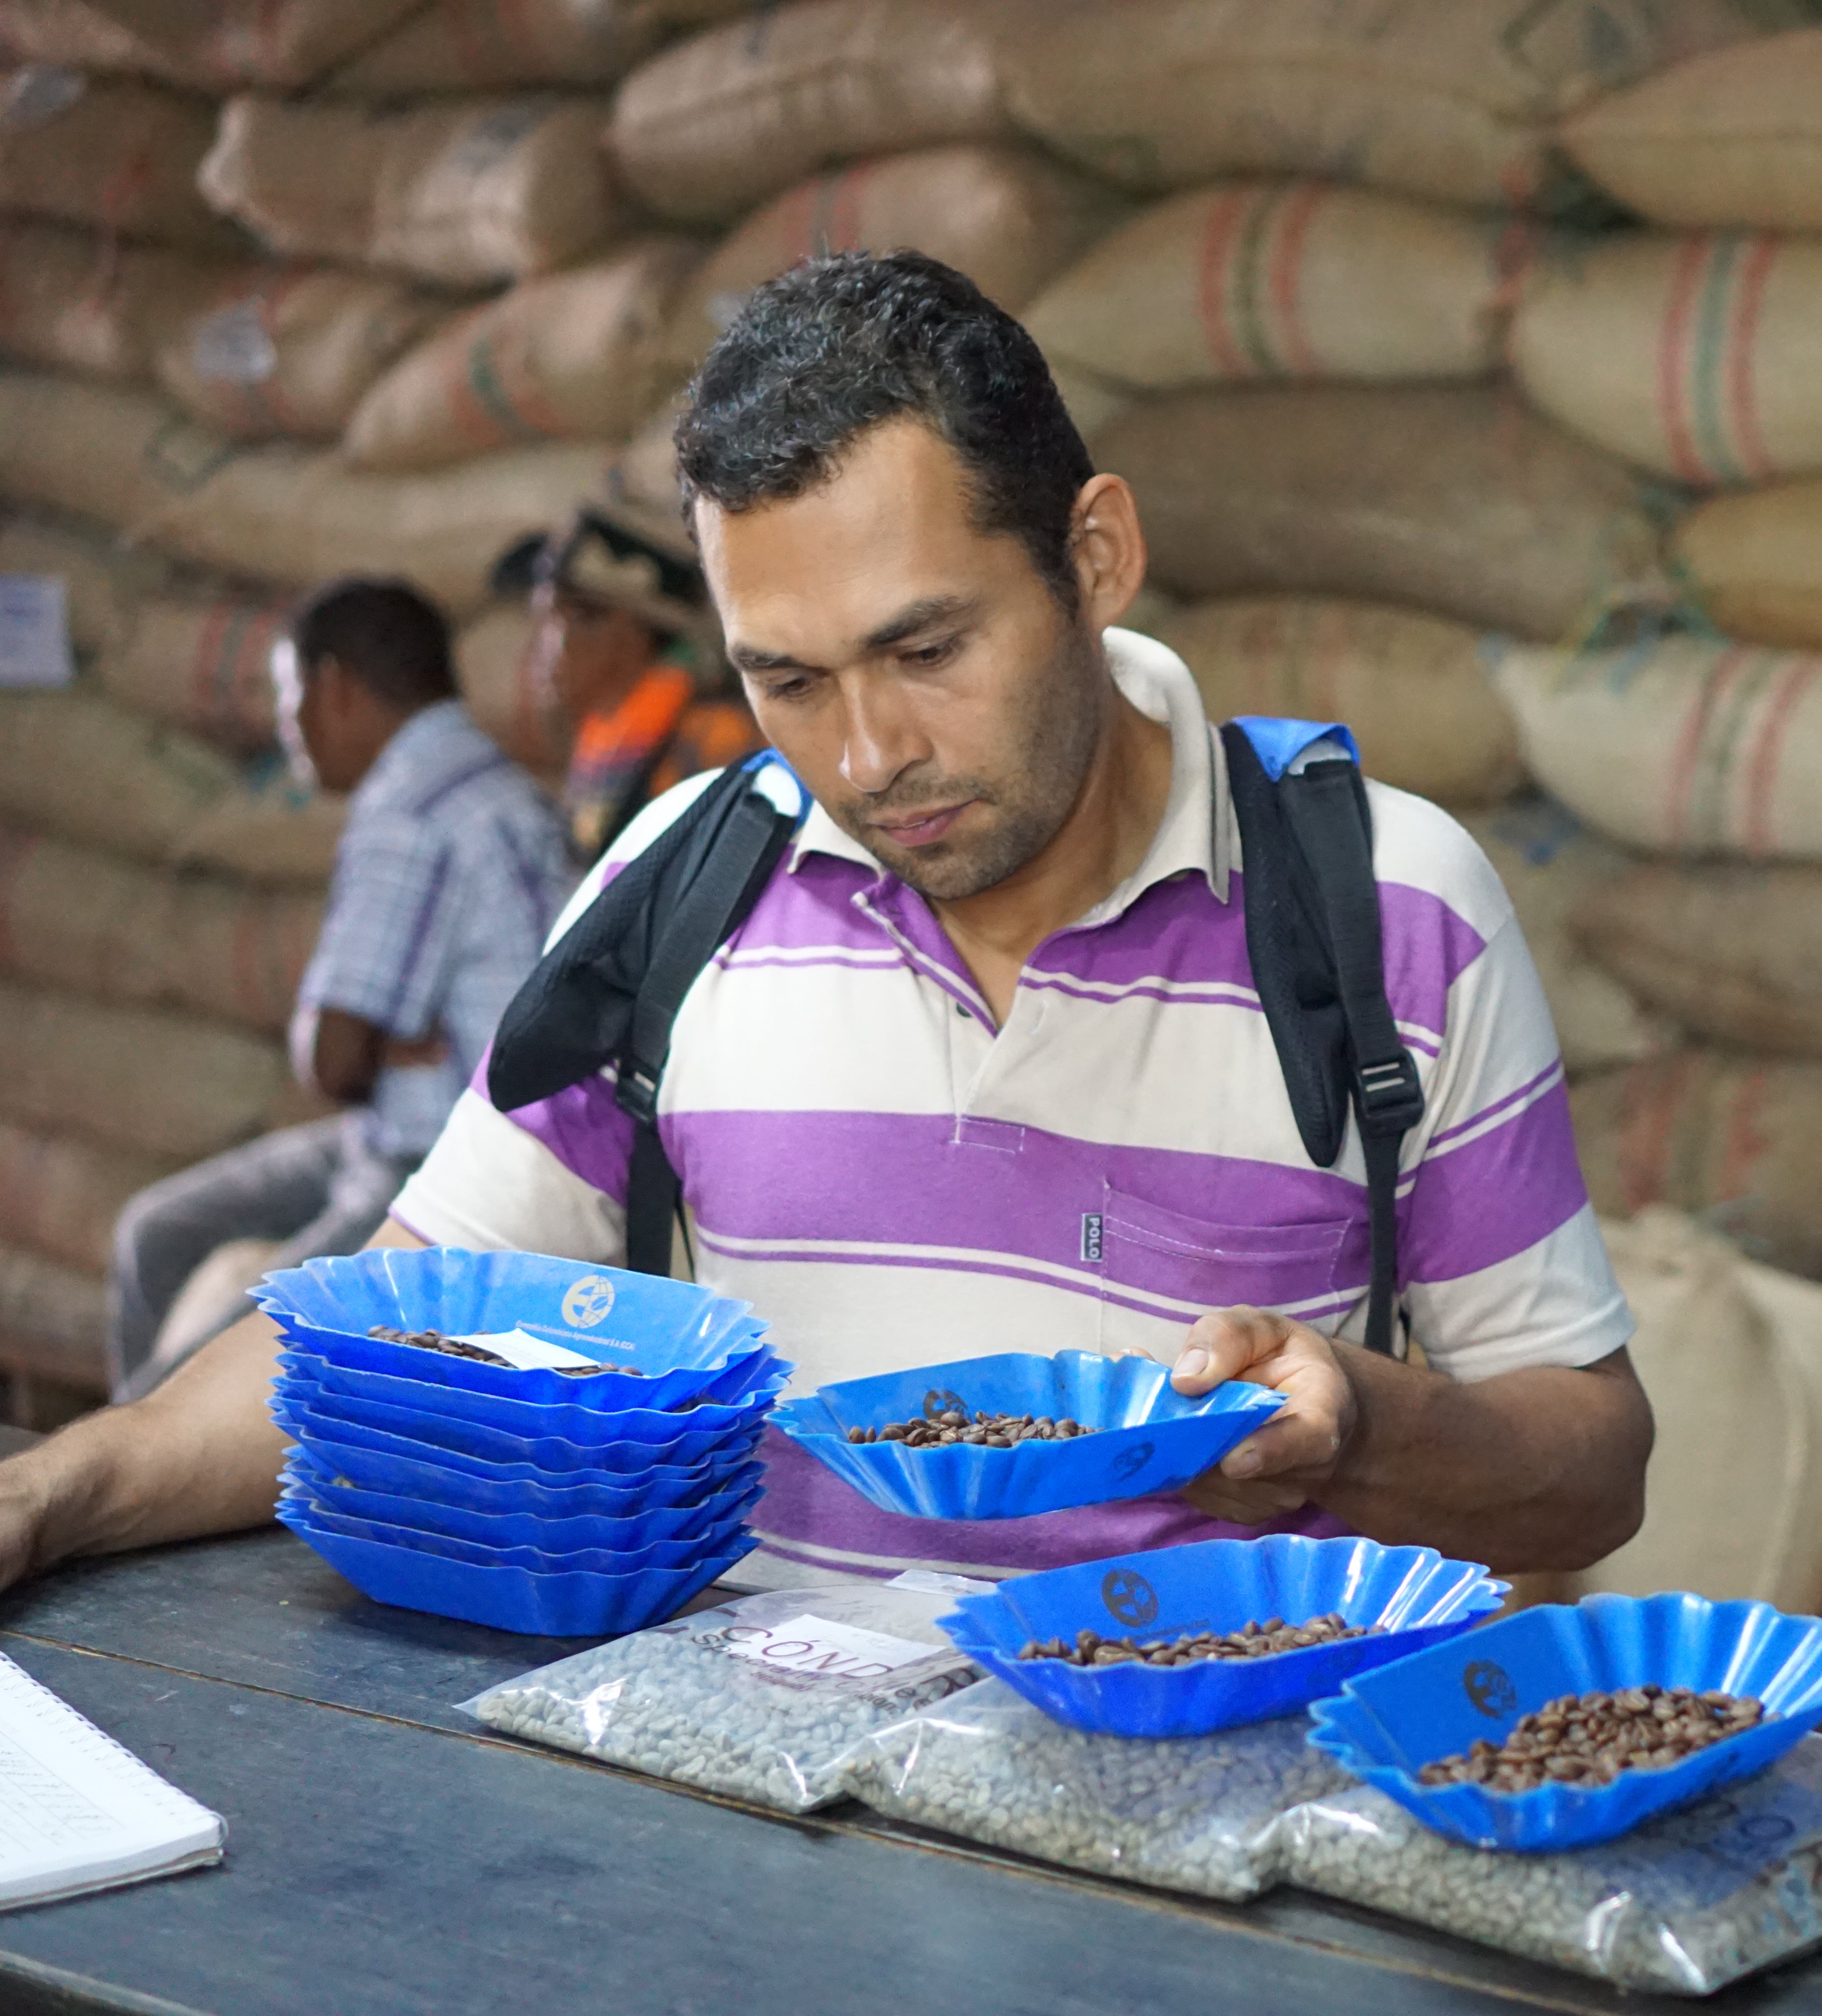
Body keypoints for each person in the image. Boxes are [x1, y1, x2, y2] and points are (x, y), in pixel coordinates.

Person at [21, 249, 1649, 1590]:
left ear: (1096, 557)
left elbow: (1592, 1478)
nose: (869, 759)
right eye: (786, 681)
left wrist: (1373, 1432)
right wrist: (59, 1488)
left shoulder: (1383, 913)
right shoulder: (684, 888)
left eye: (928, 649)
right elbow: (403, 1326)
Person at [103, 579, 573, 1402]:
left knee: (183, 1394)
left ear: (335, 688)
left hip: (432, 1163)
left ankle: (122, 1483)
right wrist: (391, 1036)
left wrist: (369, 1040)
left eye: (288, 698)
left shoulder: (408, 812)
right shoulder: (501, 783)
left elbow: (334, 1062)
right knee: (161, 1232)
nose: (285, 728)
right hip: (433, 1127)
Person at [494, 501, 765, 863]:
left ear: (624, 631)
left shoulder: (714, 735)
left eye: (560, 621)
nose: (540, 649)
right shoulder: (603, 736)